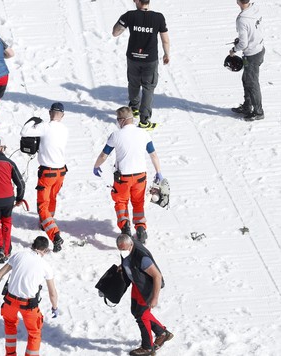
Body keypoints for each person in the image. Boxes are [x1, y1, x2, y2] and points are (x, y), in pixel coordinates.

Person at [92, 107, 162, 243]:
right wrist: (159, 172)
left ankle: (125, 228)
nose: (117, 122)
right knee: (138, 203)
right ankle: (141, 229)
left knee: (121, 202)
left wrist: (96, 166)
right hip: (140, 176)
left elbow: (103, 155)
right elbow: (153, 155)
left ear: (122, 120)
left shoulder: (116, 135)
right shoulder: (143, 133)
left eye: (118, 120)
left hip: (123, 177)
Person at [0, 236, 59, 356]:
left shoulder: (19, 255)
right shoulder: (46, 266)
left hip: (10, 302)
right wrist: (54, 307)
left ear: (33, 245)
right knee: (34, 333)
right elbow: (52, 292)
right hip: (29, 305)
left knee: (10, 327)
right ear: (45, 250)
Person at [112, 0, 170, 129]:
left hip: (133, 57)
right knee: (148, 88)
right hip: (150, 60)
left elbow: (115, 32)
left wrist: (124, 23)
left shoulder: (129, 16)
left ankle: (134, 107)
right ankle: (144, 121)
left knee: (133, 83)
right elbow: (165, 39)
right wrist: (166, 54)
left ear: (137, 1)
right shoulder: (158, 17)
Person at [20, 102, 68, 253]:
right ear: (63, 115)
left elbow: (24, 131)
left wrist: (34, 120)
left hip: (47, 173)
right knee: (52, 199)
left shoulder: (45, 127)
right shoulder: (65, 129)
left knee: (42, 205)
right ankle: (46, 223)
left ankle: (55, 235)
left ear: (49, 112)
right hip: (61, 172)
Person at [116, 234, 173, 355]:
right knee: (137, 311)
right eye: (120, 249)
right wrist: (124, 267)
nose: (122, 252)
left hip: (147, 288)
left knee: (142, 316)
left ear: (131, 245)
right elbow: (130, 262)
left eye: (124, 249)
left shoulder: (142, 258)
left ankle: (147, 348)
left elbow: (157, 276)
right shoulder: (128, 251)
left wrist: (154, 298)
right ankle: (162, 333)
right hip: (137, 285)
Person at [230, 0, 265, 121]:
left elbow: (243, 44)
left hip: (252, 54)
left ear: (238, 2)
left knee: (252, 83)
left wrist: (234, 49)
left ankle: (258, 112)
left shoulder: (242, 20)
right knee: (246, 79)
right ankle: (247, 106)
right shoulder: (255, 8)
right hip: (259, 49)